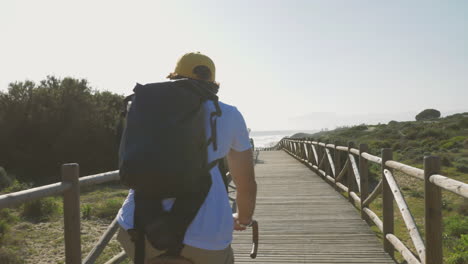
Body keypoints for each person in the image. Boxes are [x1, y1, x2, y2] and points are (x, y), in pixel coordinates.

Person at [116, 52, 257, 264]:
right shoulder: (228, 114)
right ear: (213, 83)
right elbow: (245, 183)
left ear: (173, 78)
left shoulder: (145, 108)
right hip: (208, 236)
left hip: (137, 226)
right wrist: (243, 218)